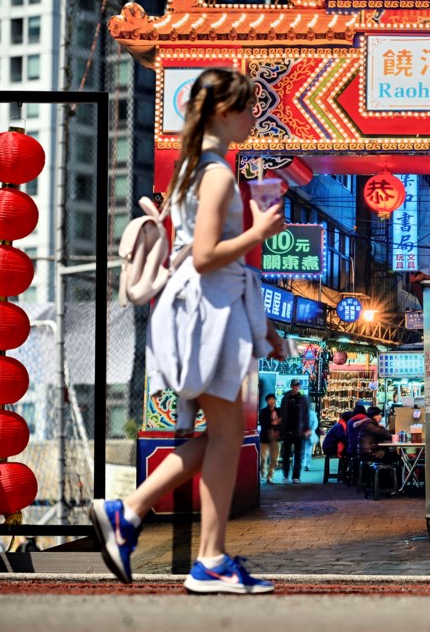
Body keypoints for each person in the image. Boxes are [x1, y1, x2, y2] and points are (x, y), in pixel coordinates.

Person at [89, 68, 286, 594]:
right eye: (247, 108)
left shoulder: (192, 169)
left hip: (196, 312)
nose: (253, 117)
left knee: (218, 434)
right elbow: (204, 257)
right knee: (224, 434)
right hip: (209, 311)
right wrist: (259, 232)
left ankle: (132, 513)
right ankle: (208, 559)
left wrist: (265, 327)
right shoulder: (218, 173)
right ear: (225, 111)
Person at [280, 378, 311, 482]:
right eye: (295, 385)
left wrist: (307, 428)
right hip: (287, 429)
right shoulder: (285, 398)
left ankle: (296, 476)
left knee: (298, 454)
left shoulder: (303, 399)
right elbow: (282, 414)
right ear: (291, 386)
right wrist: (280, 429)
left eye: (298, 385)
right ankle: (285, 475)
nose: (296, 387)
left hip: (299, 430)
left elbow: (306, 415)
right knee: (286, 454)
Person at [257, 393, 282, 484]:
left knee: (275, 459)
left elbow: (282, 423)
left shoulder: (279, 411)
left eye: (273, 399)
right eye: (270, 399)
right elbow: (263, 423)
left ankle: (270, 476)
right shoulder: (263, 412)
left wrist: (278, 429)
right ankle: (262, 472)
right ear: (267, 401)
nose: (272, 401)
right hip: (265, 437)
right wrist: (274, 422)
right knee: (263, 458)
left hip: (276, 437)